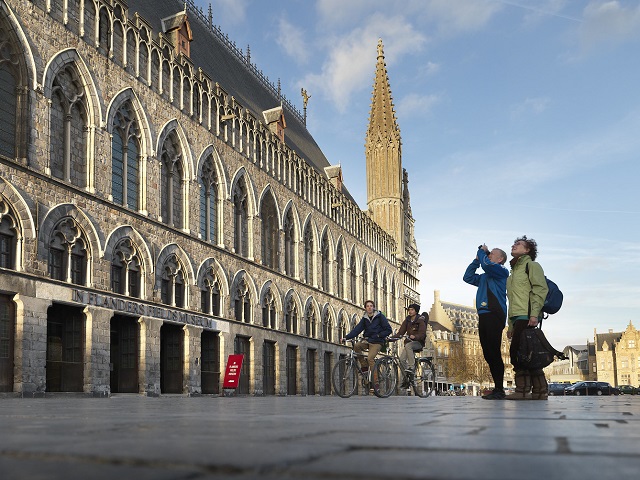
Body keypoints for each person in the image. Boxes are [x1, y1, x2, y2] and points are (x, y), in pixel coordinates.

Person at [505, 236, 549, 400]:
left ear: (527, 250)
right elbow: (512, 300)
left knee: (520, 354)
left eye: (518, 244)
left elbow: (539, 289)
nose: (514, 245)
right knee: (528, 353)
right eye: (514, 243)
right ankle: (539, 391)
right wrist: (510, 325)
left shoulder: (532, 266)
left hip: (527, 315)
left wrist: (534, 314)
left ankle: (523, 390)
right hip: (517, 318)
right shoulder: (512, 273)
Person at [463, 244, 509, 400]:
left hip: (494, 314)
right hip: (483, 315)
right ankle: (497, 388)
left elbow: (487, 265)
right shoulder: (485, 276)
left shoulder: (502, 271)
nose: (489, 255)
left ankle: (499, 389)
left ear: (500, 259)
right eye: (488, 254)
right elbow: (467, 277)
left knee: (494, 352)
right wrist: (476, 260)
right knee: (488, 353)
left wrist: (481, 252)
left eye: (492, 254)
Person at [341, 300, 392, 386]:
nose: (369, 307)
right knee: (357, 346)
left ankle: (375, 382)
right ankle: (364, 367)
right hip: (368, 340)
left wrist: (379, 335)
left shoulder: (380, 317)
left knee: (370, 359)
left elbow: (388, 330)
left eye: (371, 306)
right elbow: (357, 329)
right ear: (365, 308)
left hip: (377, 342)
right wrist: (346, 337)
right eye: (367, 306)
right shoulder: (365, 319)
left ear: (374, 307)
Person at [390, 304, 427, 388]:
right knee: (401, 360)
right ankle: (406, 379)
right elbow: (400, 333)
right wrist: (390, 338)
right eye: (409, 310)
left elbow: (422, 334)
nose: (410, 311)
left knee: (408, 346)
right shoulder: (407, 320)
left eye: (412, 310)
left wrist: (415, 336)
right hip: (408, 344)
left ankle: (411, 367)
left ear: (416, 311)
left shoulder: (420, 320)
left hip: (418, 343)